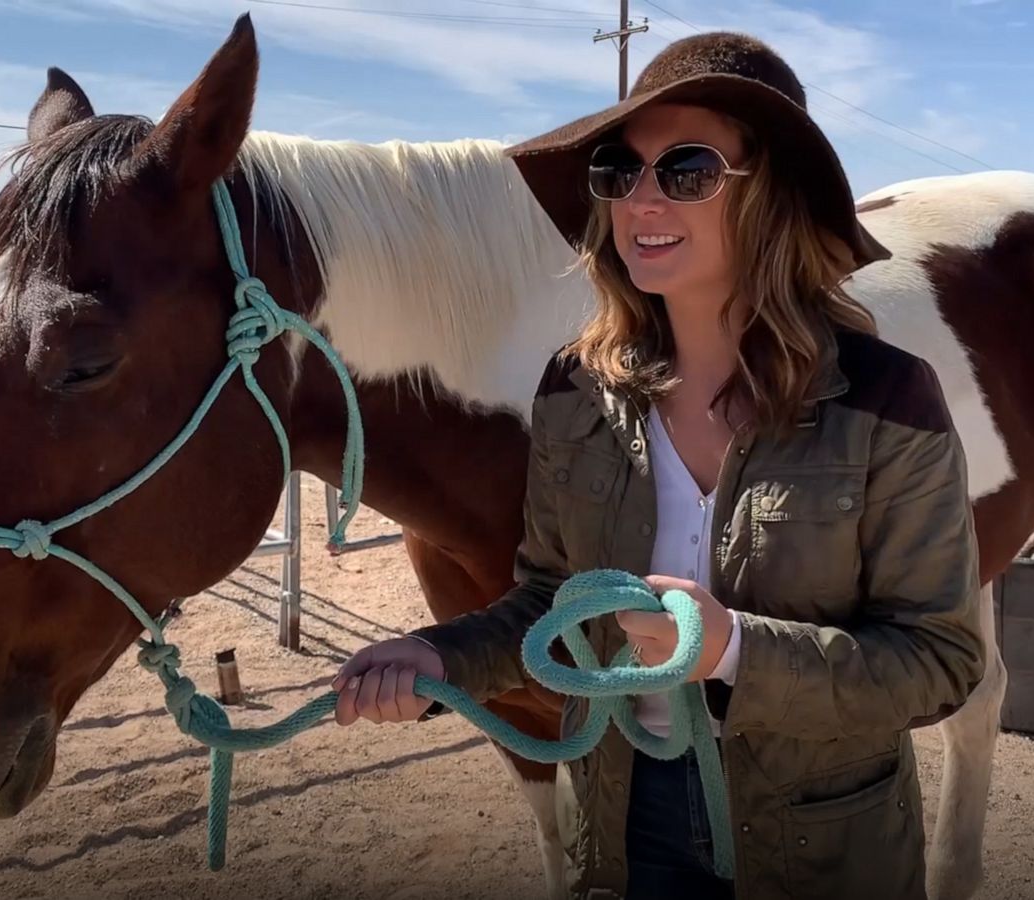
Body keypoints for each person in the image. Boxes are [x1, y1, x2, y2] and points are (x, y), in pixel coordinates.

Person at [330, 30, 985, 900]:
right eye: (617, 171)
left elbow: (936, 662)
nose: (641, 199)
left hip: (824, 842)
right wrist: (438, 658)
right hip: (625, 823)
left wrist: (732, 650)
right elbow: (548, 602)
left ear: (772, 195)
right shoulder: (574, 390)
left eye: (687, 172)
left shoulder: (888, 400)